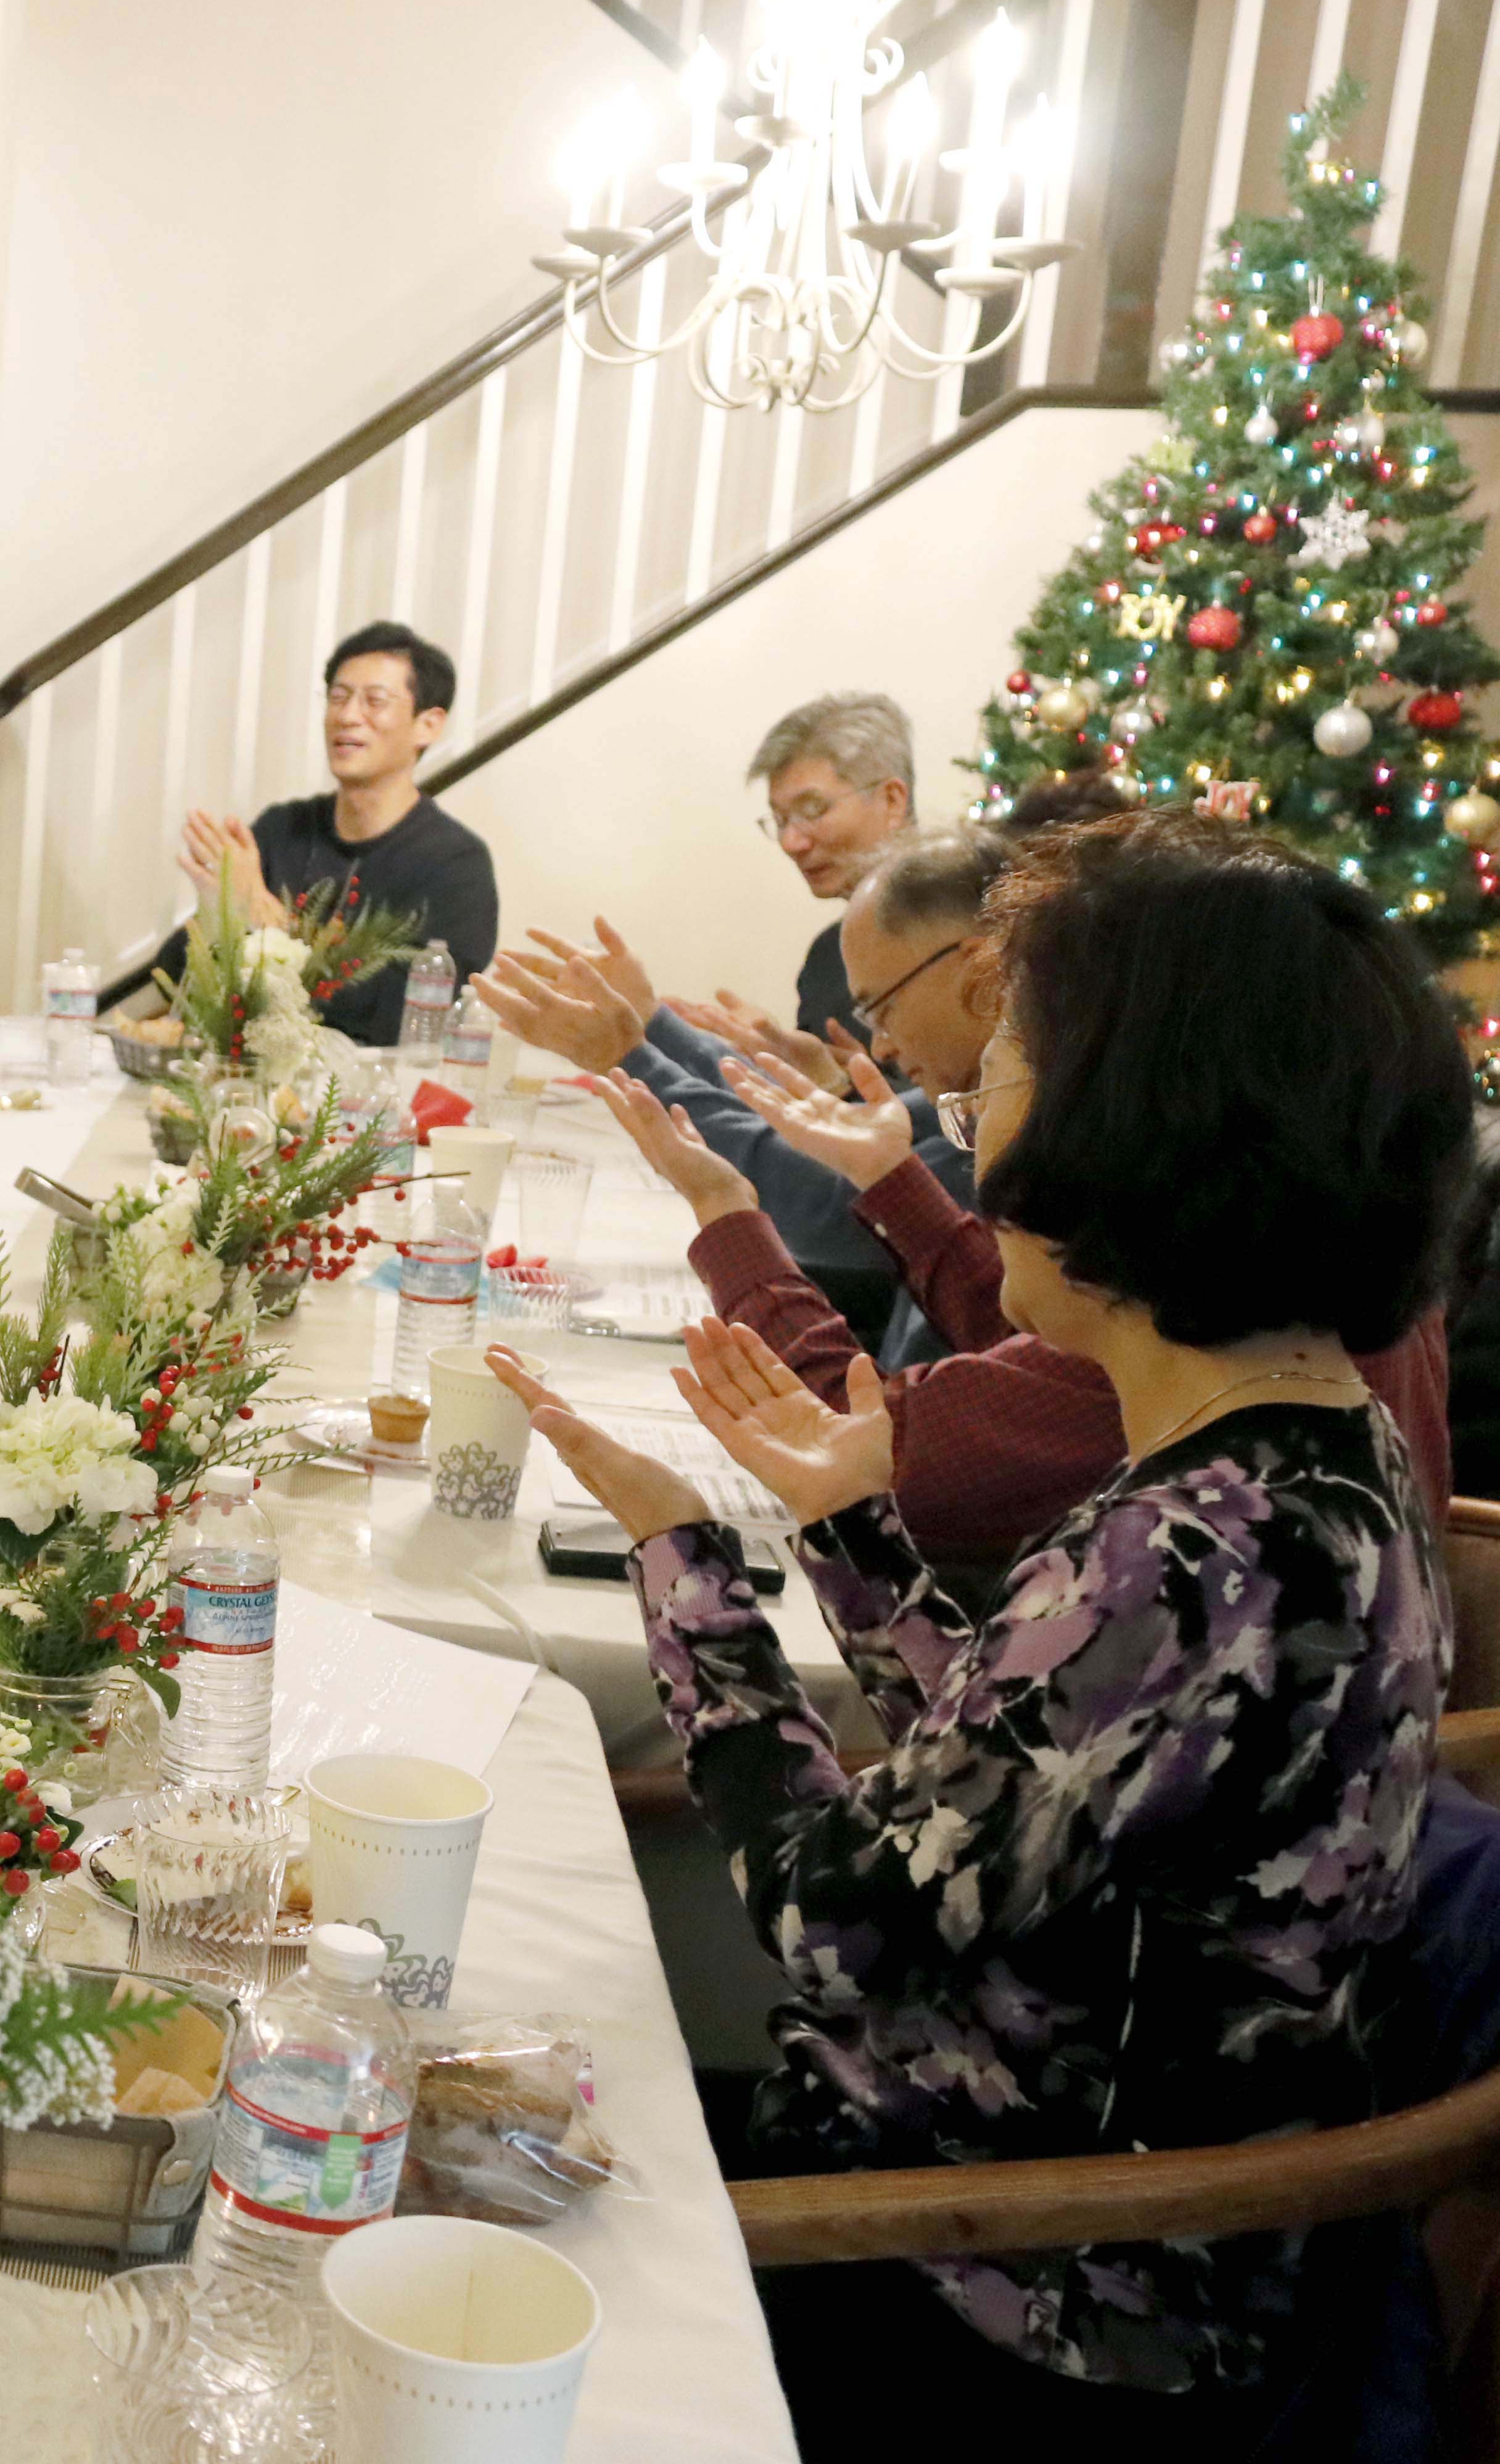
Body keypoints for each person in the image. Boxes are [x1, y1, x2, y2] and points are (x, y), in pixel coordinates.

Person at [493, 809, 1467, 2457]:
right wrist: (845, 1526)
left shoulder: (1193, 1551)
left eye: (985, 1100)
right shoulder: (1299, 1450)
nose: (973, 1169)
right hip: (1042, 2191)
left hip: (1033, 2287)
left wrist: (683, 1560)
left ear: (1136, 1139)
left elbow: (828, 1916)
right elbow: (1011, 1771)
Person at [575, 826, 1450, 1595]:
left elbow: (866, 1444)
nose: (985, 1144)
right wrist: (886, 1177)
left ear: (1122, 1114)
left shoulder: (1173, 1522)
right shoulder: (1283, 1281)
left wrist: (680, 1563)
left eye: (1002, 1078)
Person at [474, 908, 972, 1364]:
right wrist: (650, 1027)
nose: (881, 1046)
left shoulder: (996, 1109)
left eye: (886, 1007)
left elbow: (830, 1207)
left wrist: (631, 1057)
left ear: (979, 963)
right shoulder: (971, 1086)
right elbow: (803, 1132)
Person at [167, 620, 496, 1047]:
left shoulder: (457, 864)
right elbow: (175, 975)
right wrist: (217, 917)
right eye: (338, 698)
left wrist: (272, 925)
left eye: (374, 701)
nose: (347, 716)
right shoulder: (283, 829)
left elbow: (403, 1019)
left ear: (428, 725)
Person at [744, 689, 916, 1043]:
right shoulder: (826, 960)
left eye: (813, 810)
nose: (791, 843)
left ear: (891, 801)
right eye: (780, 820)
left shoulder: (969, 927)